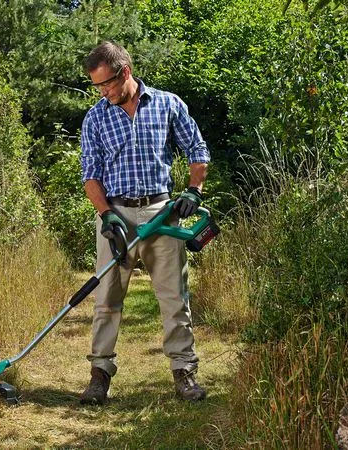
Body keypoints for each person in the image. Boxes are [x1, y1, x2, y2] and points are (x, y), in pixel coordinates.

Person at [78, 41, 210, 405]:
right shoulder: (96, 118)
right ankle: (99, 375)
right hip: (116, 215)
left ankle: (184, 372)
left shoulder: (168, 104)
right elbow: (90, 175)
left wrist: (194, 191)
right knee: (106, 299)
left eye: (106, 83)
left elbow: (197, 150)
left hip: (162, 215)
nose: (102, 92)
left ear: (125, 72)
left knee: (174, 298)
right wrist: (106, 216)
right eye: (97, 86)